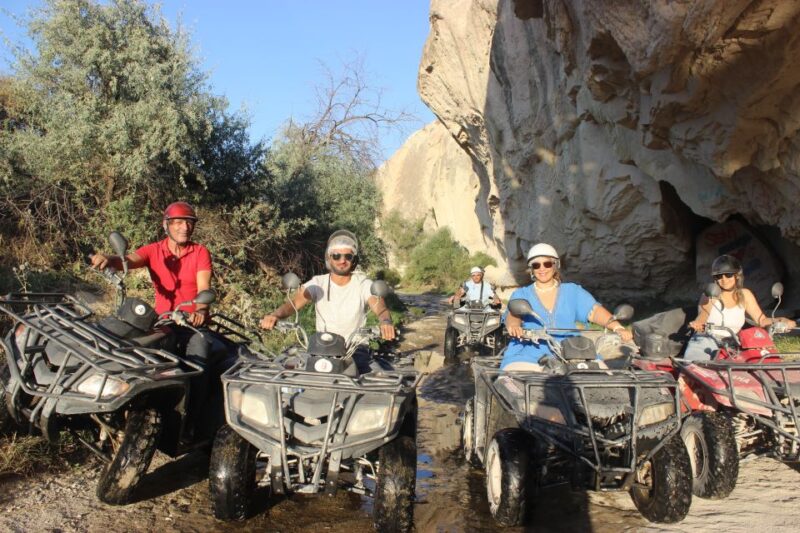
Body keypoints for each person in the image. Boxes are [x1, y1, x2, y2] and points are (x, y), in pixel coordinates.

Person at [90, 201, 214, 433]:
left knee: (198, 361)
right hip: (164, 322)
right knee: (135, 353)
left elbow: (203, 287)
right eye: (178, 222)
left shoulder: (200, 252)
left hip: (192, 325)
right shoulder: (154, 250)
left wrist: (200, 311)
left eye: (189, 222)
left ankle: (191, 424)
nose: (184, 227)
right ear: (166, 225)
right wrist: (108, 259)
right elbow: (128, 260)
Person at [501, 243, 633, 371]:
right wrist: (514, 326)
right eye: (536, 265)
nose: (542, 268)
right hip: (530, 351)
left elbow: (594, 311)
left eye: (547, 264)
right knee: (514, 381)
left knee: (604, 376)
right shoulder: (522, 293)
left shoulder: (572, 291)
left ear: (555, 265)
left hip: (573, 350)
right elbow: (513, 314)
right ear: (531, 269)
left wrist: (617, 327)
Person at [259, 229, 395, 348]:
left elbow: (380, 308)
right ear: (329, 259)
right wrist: (275, 315)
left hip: (356, 348)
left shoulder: (362, 283)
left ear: (354, 260)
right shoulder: (318, 283)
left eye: (348, 256)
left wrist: (386, 322)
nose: (342, 261)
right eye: (336, 256)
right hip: (323, 347)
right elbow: (293, 304)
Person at [684, 254, 796, 360]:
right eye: (719, 276)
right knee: (693, 369)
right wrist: (698, 324)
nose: (724, 279)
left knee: (760, 363)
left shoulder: (745, 294)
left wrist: (781, 320)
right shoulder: (711, 293)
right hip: (707, 339)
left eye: (728, 275)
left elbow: (761, 320)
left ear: (737, 275)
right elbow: (703, 315)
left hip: (734, 343)